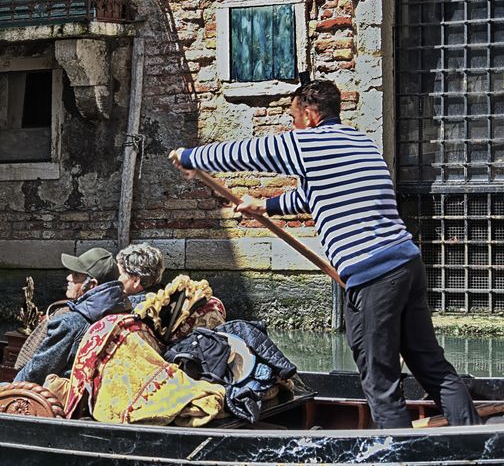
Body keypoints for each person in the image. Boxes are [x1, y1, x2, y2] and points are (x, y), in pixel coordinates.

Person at [168, 79, 479, 428]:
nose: (292, 125)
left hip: (371, 275)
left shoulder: (307, 144)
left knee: (379, 378)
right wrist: (265, 205)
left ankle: (398, 456)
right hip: (406, 263)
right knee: (431, 364)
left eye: (294, 117)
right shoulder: (360, 142)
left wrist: (191, 156)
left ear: (311, 114)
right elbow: (314, 196)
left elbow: (247, 153)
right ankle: (471, 438)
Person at [15, 244, 165, 384]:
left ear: (92, 284)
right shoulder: (124, 313)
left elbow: (31, 376)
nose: (68, 277)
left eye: (76, 275)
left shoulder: (69, 323)